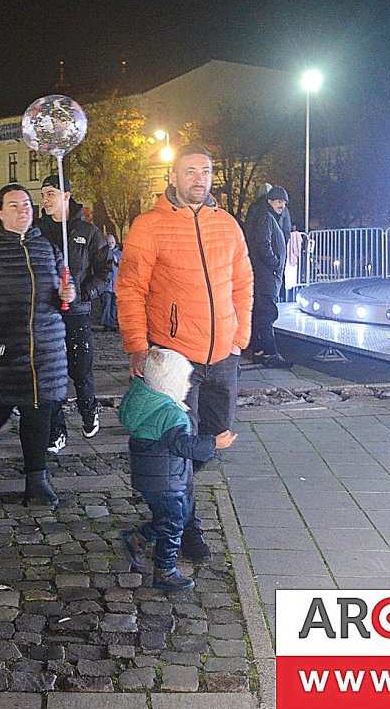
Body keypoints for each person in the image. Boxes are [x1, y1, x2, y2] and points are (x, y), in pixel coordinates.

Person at [117, 143, 253, 561]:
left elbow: (243, 282)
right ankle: (186, 527)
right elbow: (130, 289)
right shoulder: (149, 226)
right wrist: (137, 346)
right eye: (190, 171)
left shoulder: (226, 224)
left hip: (223, 355)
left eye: (206, 171)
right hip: (176, 357)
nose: (199, 178)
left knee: (213, 439)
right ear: (173, 177)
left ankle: (163, 512)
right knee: (182, 441)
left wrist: (240, 335)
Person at [0, 183, 76, 506]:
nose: (23, 210)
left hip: (45, 350)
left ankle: (36, 480)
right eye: (13, 205)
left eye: (26, 204)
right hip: (4, 350)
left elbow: (64, 291)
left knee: (38, 412)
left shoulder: (47, 248)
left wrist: (68, 294)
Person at [120, 347, 236, 591]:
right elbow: (184, 446)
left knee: (169, 518)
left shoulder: (143, 400)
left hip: (149, 476)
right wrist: (214, 443)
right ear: (170, 383)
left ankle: (137, 539)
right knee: (173, 524)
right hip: (165, 480)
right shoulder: (172, 415)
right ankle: (165, 571)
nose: (189, 386)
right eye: (185, 381)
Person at [38, 174, 113, 450]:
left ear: (66, 196)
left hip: (77, 312)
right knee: (50, 373)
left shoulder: (87, 232)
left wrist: (82, 292)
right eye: (43, 195)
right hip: (47, 313)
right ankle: (56, 430)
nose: (45, 200)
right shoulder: (38, 231)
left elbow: (105, 270)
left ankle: (88, 407)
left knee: (80, 369)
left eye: (50, 194)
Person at [245, 185, 293, 368]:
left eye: (284, 203)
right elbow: (263, 244)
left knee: (261, 313)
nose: (282, 206)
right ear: (269, 201)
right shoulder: (266, 217)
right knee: (267, 314)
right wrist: (275, 264)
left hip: (265, 274)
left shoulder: (264, 215)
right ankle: (270, 354)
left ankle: (259, 351)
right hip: (266, 275)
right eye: (279, 201)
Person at [99, 233, 122, 331]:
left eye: (112, 242)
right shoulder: (102, 253)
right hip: (106, 284)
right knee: (106, 304)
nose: (111, 244)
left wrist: (117, 261)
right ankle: (106, 324)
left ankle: (112, 323)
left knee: (114, 305)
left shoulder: (120, 254)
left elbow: (124, 266)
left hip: (116, 284)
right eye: (109, 242)